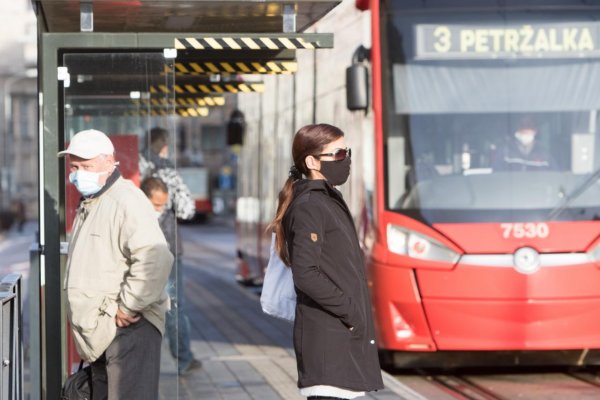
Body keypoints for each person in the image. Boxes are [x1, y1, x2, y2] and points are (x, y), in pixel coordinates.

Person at [269, 124, 384, 399]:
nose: (346, 160)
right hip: (329, 345)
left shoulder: (327, 200)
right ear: (311, 162)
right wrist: (350, 311)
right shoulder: (310, 205)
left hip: (339, 344)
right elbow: (306, 274)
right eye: (339, 153)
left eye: (347, 152)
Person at [58, 129, 174, 400]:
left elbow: (154, 256)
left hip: (126, 328)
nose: (78, 173)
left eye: (86, 166)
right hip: (105, 333)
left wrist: (127, 305)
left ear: (109, 162)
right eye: (74, 167)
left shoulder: (126, 199)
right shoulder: (94, 202)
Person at [140, 176, 202, 376]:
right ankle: (180, 358)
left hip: (172, 256)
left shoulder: (170, 191)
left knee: (174, 306)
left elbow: (188, 211)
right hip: (152, 259)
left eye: (163, 204)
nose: (161, 209)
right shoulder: (137, 212)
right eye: (156, 204)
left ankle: (183, 358)